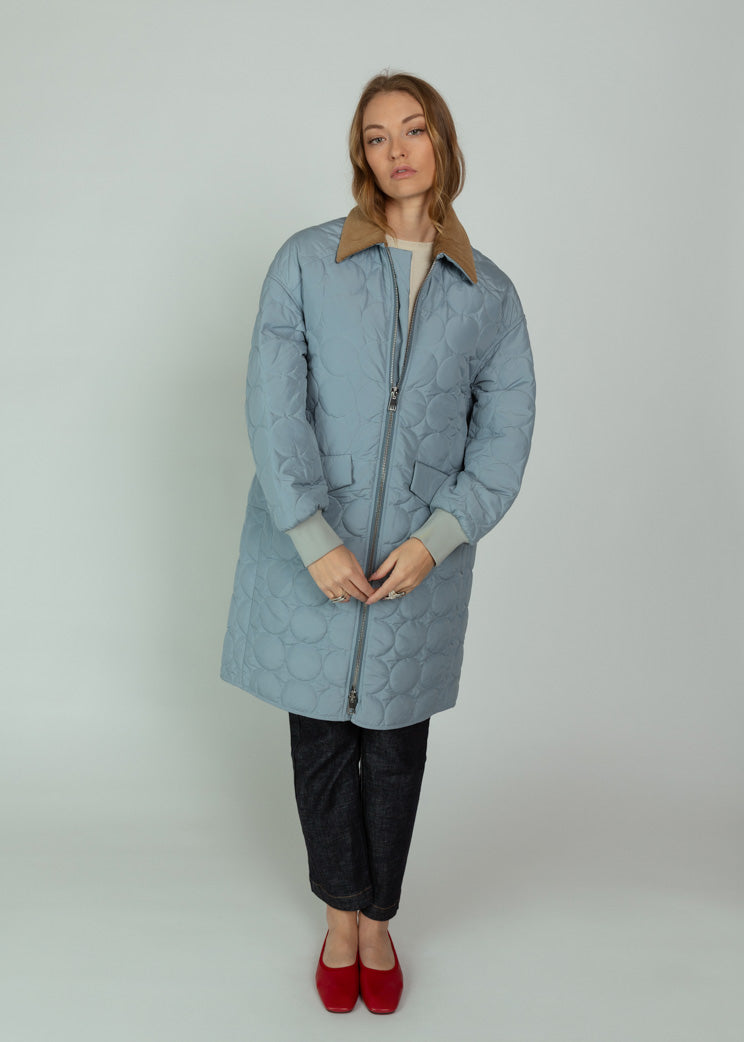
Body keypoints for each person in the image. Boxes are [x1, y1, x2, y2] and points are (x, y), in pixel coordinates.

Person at [220, 71, 536, 1014]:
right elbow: (273, 405)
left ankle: (379, 916)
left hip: (415, 564)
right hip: (311, 557)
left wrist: (438, 539)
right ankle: (340, 919)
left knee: (395, 753)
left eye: (413, 129)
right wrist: (310, 534)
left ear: (442, 142)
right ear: (360, 154)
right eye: (375, 135)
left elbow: (504, 439)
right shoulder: (306, 263)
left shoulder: (489, 294)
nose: (397, 149)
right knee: (320, 743)